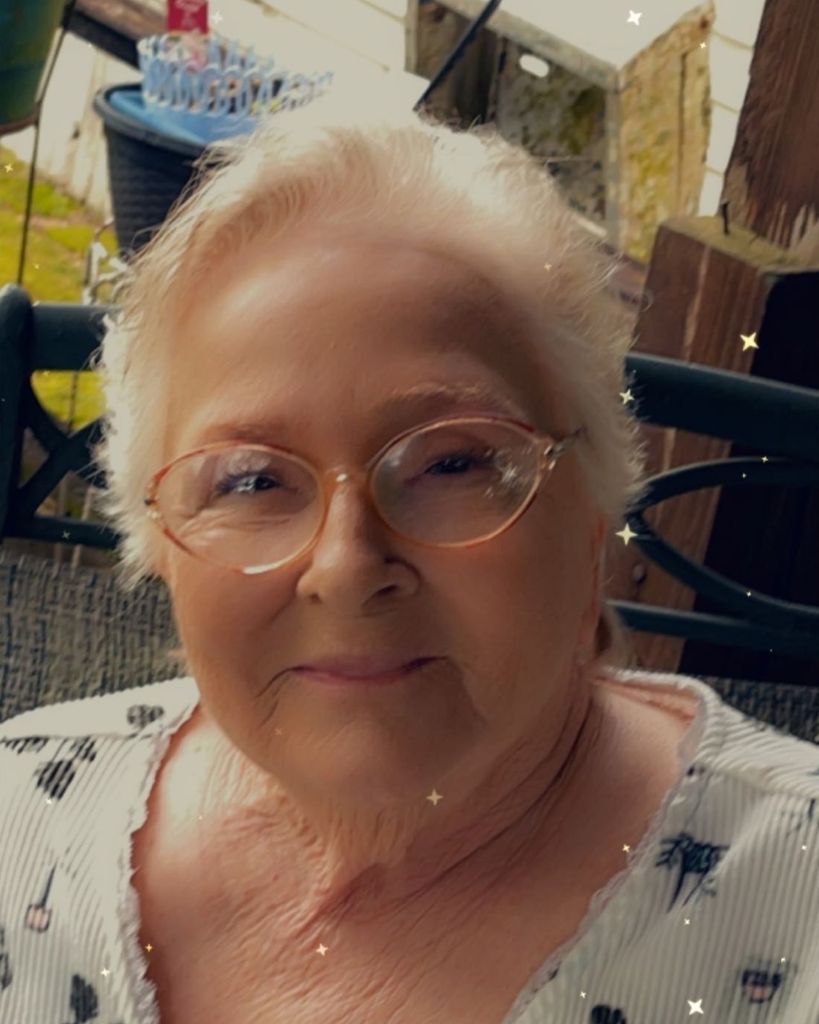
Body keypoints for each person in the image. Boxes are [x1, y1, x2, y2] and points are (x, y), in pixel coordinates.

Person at [1, 85, 818, 1024]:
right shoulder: (20, 821)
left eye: (452, 462)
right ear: (158, 543)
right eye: (251, 480)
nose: (346, 566)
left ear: (594, 505)